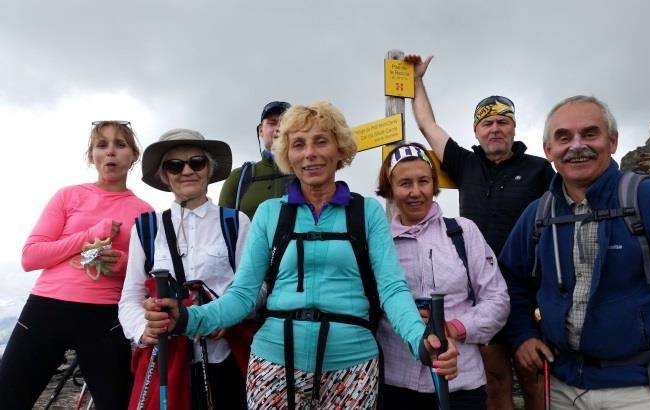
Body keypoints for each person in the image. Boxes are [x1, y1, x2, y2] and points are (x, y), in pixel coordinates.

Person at [143, 102, 459, 409]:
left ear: (340, 149)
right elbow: (243, 294)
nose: (310, 153)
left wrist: (421, 340)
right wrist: (187, 318)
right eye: (298, 144)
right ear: (288, 155)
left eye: (321, 141)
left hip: (353, 367)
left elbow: (392, 289)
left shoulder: (367, 213)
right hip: (274, 362)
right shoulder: (269, 213)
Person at [499, 95, 650, 410]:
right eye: (563, 137)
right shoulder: (539, 214)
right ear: (549, 151)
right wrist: (522, 333)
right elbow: (509, 279)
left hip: (642, 388)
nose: (577, 145)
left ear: (613, 141)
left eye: (590, 134)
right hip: (563, 388)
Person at [405, 53, 554, 410]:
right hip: (483, 293)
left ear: (515, 128)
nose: (495, 129)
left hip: (527, 292)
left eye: (504, 121)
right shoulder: (465, 164)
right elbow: (428, 125)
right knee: (496, 383)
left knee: (535, 381)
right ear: (476, 131)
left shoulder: (540, 170)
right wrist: (417, 80)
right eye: (487, 124)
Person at [0, 121, 152, 409]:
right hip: (46, 307)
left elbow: (146, 276)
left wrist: (122, 264)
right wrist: (88, 236)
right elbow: (30, 257)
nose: (111, 152)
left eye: (120, 145)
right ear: (91, 155)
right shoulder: (68, 195)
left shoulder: (144, 212)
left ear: (134, 156)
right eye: (102, 145)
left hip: (104, 317)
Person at [119, 129, 252, 409]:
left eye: (196, 162)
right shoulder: (146, 228)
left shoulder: (235, 223)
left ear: (208, 169)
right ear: (165, 176)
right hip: (166, 358)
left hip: (225, 357)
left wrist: (226, 316)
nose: (187, 170)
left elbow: (256, 287)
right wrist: (145, 328)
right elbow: (129, 297)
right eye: (175, 165)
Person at [375, 142, 510, 409]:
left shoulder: (463, 232)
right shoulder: (379, 242)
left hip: (460, 381)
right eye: (405, 183)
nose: (416, 192)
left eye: (423, 181)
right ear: (390, 189)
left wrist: (452, 327)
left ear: (434, 184)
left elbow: (498, 300)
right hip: (395, 382)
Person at [218, 101, 294, 219]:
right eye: (272, 123)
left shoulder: (307, 173)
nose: (279, 128)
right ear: (260, 131)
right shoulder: (238, 178)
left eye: (286, 124)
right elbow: (222, 227)